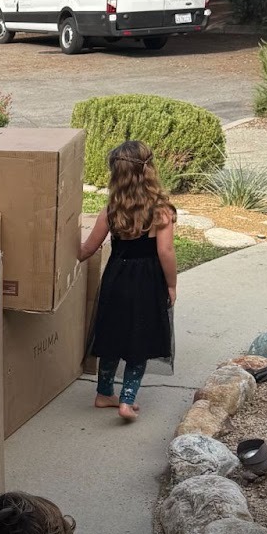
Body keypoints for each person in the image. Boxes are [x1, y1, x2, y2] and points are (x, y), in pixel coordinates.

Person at [80, 139, 177, 423]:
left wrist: (68, 252)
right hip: (147, 282)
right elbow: (165, 252)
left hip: (116, 279)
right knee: (140, 338)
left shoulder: (111, 209)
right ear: (149, 170)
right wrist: (171, 284)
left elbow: (88, 249)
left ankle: (103, 393)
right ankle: (127, 400)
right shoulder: (161, 211)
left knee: (111, 335)